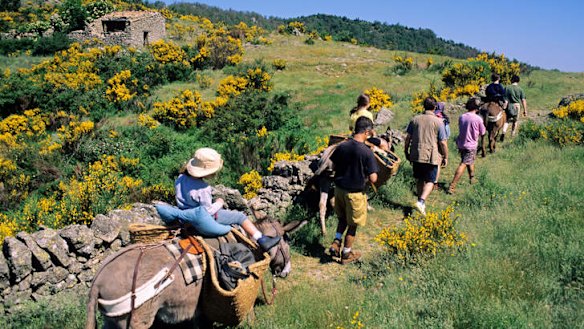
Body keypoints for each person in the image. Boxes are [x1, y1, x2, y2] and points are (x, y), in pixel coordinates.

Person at [157, 148, 281, 251]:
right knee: (239, 217)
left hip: (184, 215)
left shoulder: (180, 178)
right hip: (201, 218)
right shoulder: (203, 188)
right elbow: (207, 211)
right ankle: (261, 239)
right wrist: (219, 203)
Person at [328, 116, 379, 264]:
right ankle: (346, 254)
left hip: (339, 190)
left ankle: (336, 242)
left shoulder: (342, 146)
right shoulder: (366, 152)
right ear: (367, 132)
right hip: (354, 194)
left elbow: (333, 165)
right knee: (353, 225)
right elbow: (374, 178)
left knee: (342, 218)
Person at [404, 97, 448, 216]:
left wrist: (406, 151)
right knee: (431, 180)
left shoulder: (415, 119)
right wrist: (445, 156)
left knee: (420, 179)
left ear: (423, 106)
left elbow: (407, 138)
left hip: (416, 153)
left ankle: (421, 204)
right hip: (431, 155)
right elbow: (443, 142)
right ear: (435, 107)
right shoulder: (438, 122)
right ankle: (421, 201)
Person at [448, 98, 486, 194]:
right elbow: (483, 132)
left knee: (469, 160)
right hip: (471, 145)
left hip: (461, 144)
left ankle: (472, 178)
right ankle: (452, 186)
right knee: (464, 163)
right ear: (477, 108)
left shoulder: (462, 117)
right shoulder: (478, 119)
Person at [502, 74, 527, 140]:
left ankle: (503, 132)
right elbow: (523, 100)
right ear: (518, 81)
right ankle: (512, 135)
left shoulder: (507, 87)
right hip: (517, 106)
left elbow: (504, 98)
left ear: (512, 80)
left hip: (509, 105)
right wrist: (525, 110)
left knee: (507, 120)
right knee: (515, 121)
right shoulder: (520, 89)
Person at [433, 102, 450, 188]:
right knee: (438, 163)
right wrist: (445, 156)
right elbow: (447, 135)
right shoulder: (443, 120)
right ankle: (435, 182)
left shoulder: (429, 116)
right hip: (439, 144)